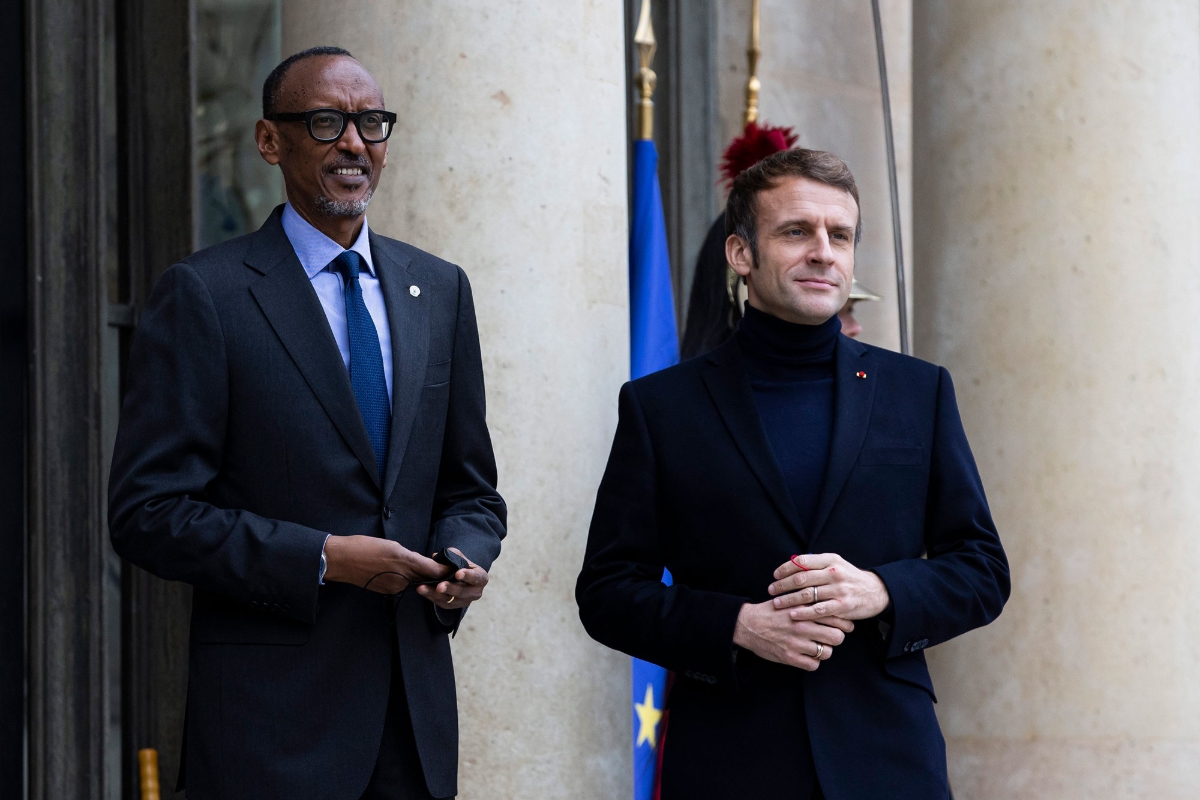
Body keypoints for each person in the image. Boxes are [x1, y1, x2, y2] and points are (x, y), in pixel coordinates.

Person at [108, 47, 506, 800]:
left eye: (371, 123)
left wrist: (462, 559)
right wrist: (324, 557)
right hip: (271, 734)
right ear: (269, 141)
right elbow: (146, 514)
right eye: (326, 122)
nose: (355, 143)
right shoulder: (206, 295)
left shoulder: (441, 289)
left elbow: (473, 489)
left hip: (413, 730)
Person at [576, 148, 1009, 799]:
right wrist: (738, 626)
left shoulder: (918, 393)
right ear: (741, 254)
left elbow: (982, 568)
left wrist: (881, 591)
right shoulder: (662, 407)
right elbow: (607, 592)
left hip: (888, 762)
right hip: (729, 763)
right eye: (796, 231)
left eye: (840, 235)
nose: (823, 252)